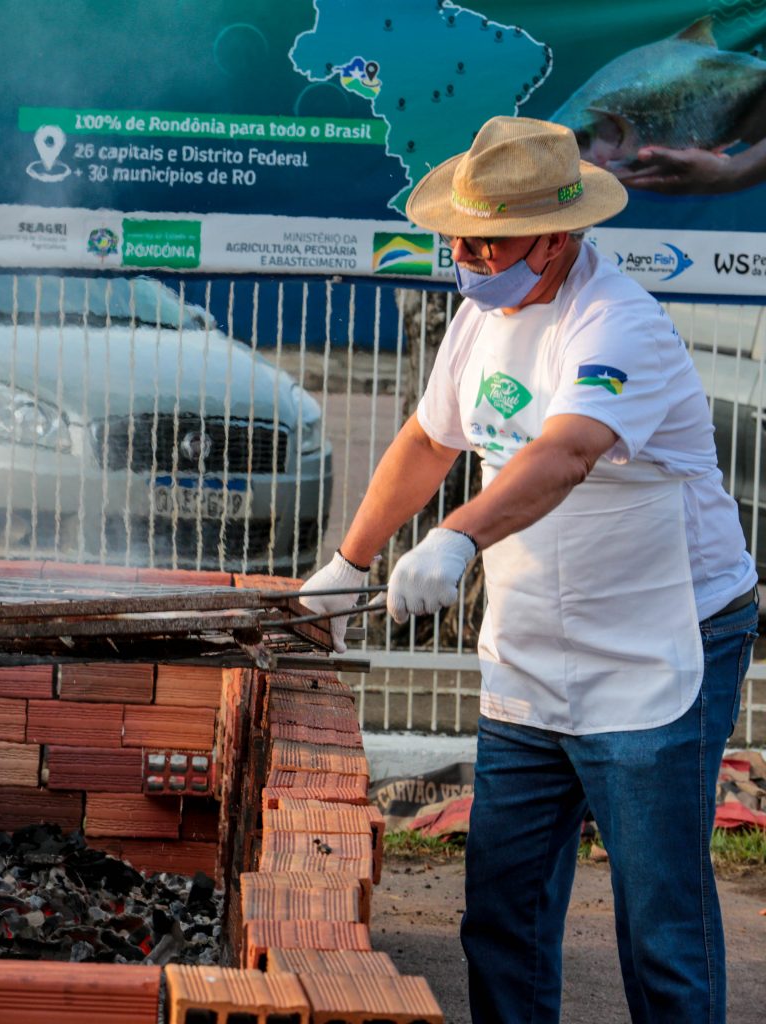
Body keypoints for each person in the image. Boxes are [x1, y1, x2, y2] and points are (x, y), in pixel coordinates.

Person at [300, 116, 757, 1023]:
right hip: (532, 654)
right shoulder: (480, 317)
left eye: (493, 241)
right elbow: (430, 440)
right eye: (462, 237)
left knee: (658, 922)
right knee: (502, 913)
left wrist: (458, 537)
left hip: (660, 645)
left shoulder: (619, 322)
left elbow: (567, 452)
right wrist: (349, 563)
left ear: (560, 235)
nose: (469, 256)